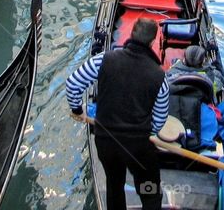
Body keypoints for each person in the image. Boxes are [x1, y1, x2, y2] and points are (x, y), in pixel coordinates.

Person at [65, 18, 169, 210]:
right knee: (150, 190)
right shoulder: (159, 77)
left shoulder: (104, 60)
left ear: (131, 36)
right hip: (138, 146)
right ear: (152, 42)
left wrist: (77, 109)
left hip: (106, 142)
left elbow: (73, 83)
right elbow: (160, 119)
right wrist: (149, 132)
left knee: (114, 185)